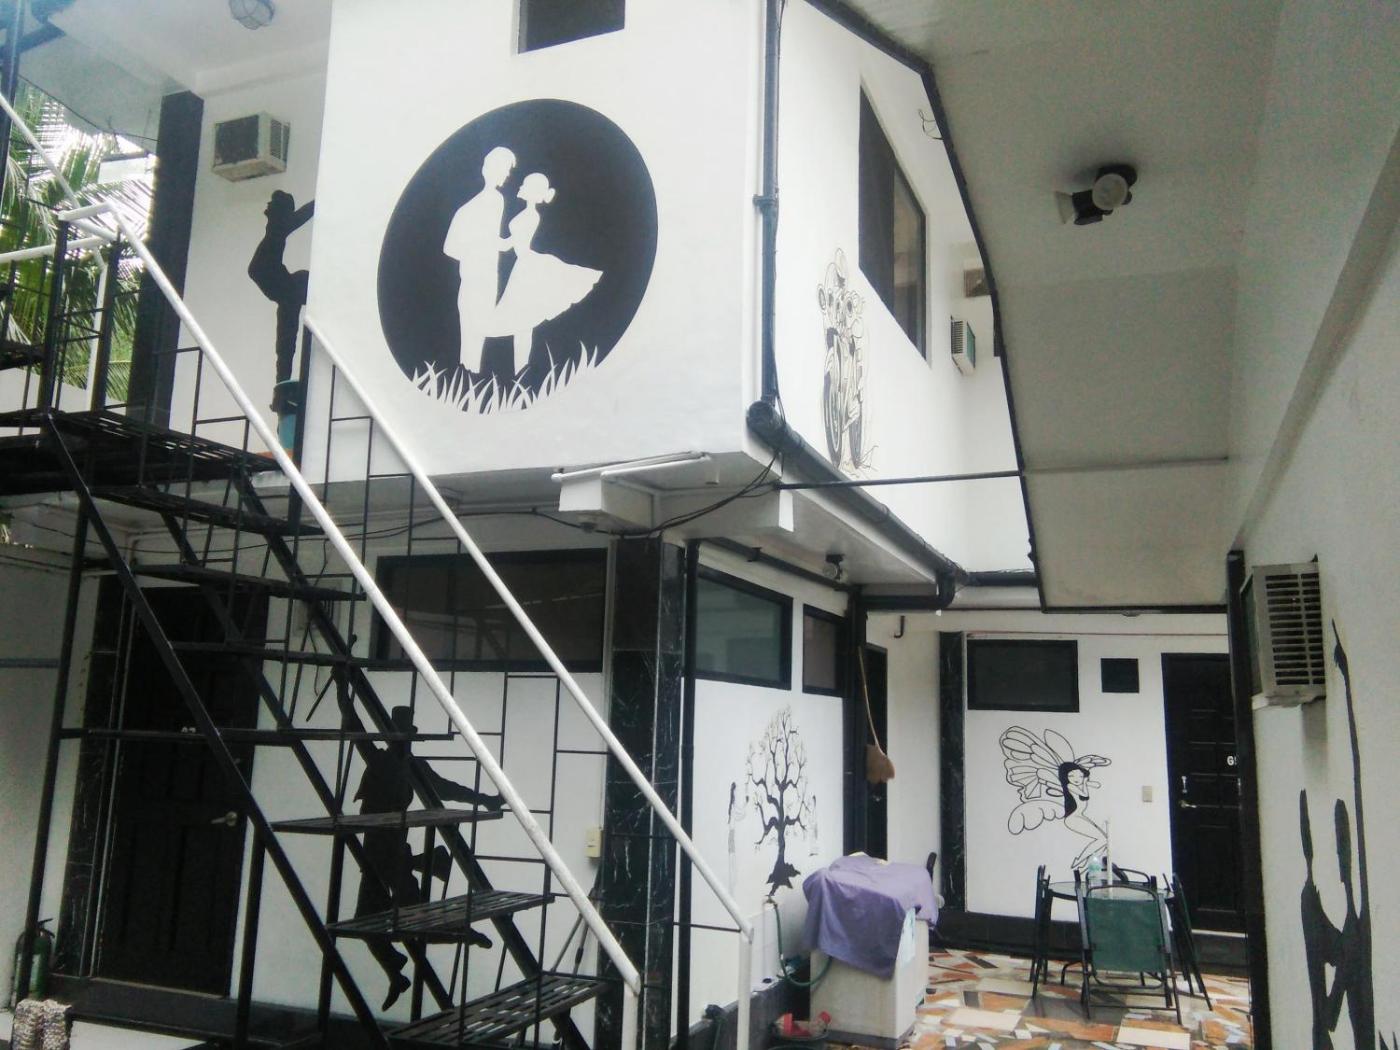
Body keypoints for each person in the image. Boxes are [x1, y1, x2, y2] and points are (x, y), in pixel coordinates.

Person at [354, 706, 504, 1010]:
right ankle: (396, 971)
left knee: (411, 923)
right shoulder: (384, 760)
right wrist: (344, 695)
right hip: (378, 855)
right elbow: (356, 729)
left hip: (389, 854)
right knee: (369, 922)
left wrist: (485, 800)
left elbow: (449, 790)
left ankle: (461, 935)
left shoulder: (405, 765)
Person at [487, 172, 603, 376]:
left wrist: (487, 239)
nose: (520, 188)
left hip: (527, 267)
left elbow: (510, 244)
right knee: (523, 322)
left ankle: (522, 370)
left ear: (533, 192)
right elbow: (507, 244)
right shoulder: (527, 215)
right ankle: (521, 370)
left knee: (524, 321)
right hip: (524, 265)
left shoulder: (529, 216)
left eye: (525, 185)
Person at [443, 146, 516, 374]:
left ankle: (470, 374)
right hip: (476, 280)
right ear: (490, 169)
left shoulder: (490, 202)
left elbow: (492, 241)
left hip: (484, 279)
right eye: (505, 169)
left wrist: (512, 241)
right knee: (473, 334)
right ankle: (469, 375)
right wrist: (478, 249)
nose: (507, 175)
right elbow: (450, 248)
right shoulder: (483, 204)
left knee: (475, 334)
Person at [247, 191, 313, 413]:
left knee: (285, 344)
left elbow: (301, 215)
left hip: (281, 285)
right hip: (280, 284)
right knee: (285, 344)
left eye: (273, 204)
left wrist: (321, 200)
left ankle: (281, 396)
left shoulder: (280, 226)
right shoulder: (276, 227)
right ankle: (281, 395)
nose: (267, 206)